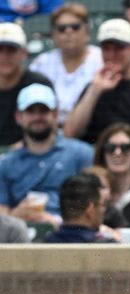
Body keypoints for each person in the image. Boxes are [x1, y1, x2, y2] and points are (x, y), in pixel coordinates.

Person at [0, 83, 94, 226]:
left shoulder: (81, 153)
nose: (37, 117)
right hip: (22, 235)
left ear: (55, 114)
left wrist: (56, 222)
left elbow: (95, 205)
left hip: (72, 235)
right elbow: (2, 213)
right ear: (19, 117)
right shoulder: (6, 163)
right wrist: (15, 215)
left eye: (43, 110)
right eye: (30, 111)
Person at [29, 3, 103, 125]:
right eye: (61, 28)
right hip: (48, 130)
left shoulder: (101, 59)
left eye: (75, 27)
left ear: (87, 32)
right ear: (53, 34)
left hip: (91, 128)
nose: (68, 32)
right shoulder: (41, 63)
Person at [0, 23, 53, 146]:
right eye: (0, 50)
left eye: (11, 50)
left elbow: (51, 125)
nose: (4, 56)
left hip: (29, 153)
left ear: (23, 52)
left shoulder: (39, 84)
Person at [43, 173, 116, 243]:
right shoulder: (108, 247)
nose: (104, 210)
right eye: (103, 204)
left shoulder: (41, 244)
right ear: (90, 209)